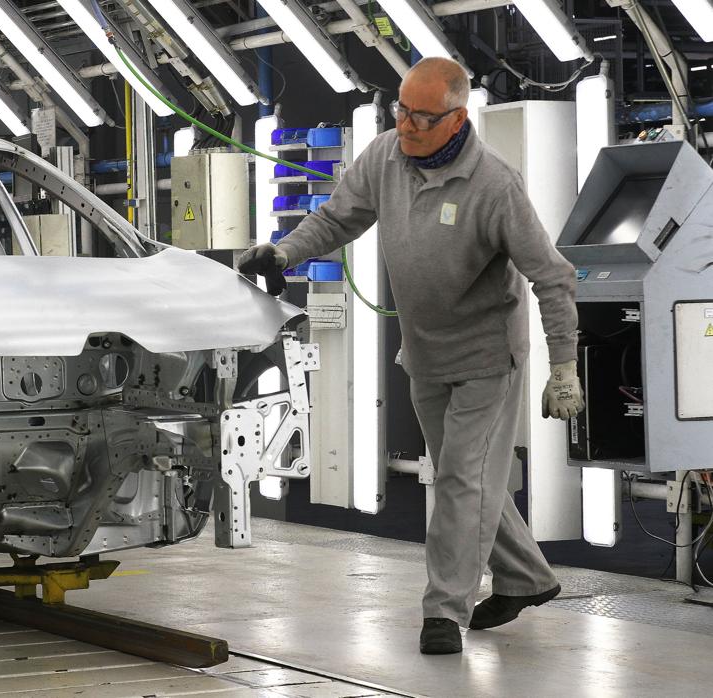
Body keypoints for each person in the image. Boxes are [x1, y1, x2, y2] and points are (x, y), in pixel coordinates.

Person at [238, 57, 584, 655]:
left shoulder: (495, 185)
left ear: (457, 118)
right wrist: (283, 254)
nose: (407, 125)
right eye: (401, 110)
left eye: (422, 117)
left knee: (457, 482)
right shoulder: (384, 157)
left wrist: (563, 366)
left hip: (485, 358)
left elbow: (553, 277)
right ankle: (528, 577)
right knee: (468, 478)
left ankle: (444, 612)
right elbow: (338, 218)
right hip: (424, 353)